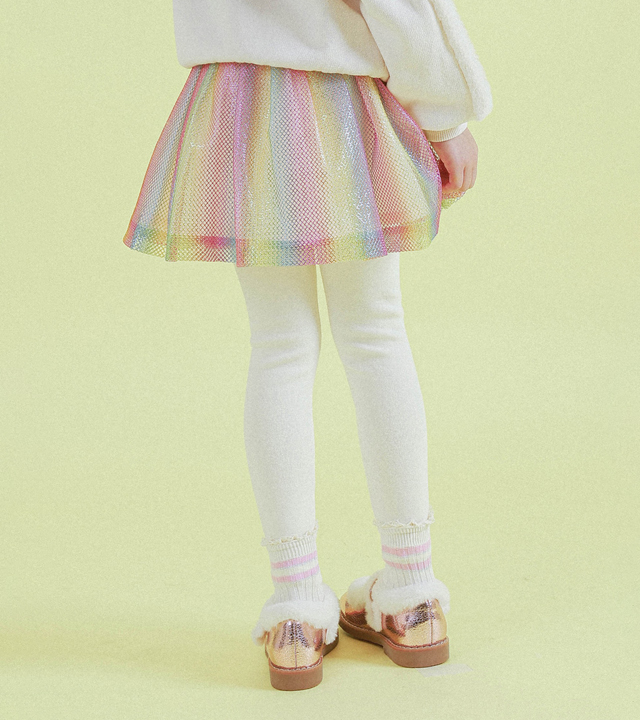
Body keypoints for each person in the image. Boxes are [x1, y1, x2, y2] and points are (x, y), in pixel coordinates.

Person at [122, 0, 493, 691]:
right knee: (375, 333)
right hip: (341, 100)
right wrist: (448, 118)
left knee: (279, 347)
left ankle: (295, 610)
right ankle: (412, 594)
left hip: (237, 102)